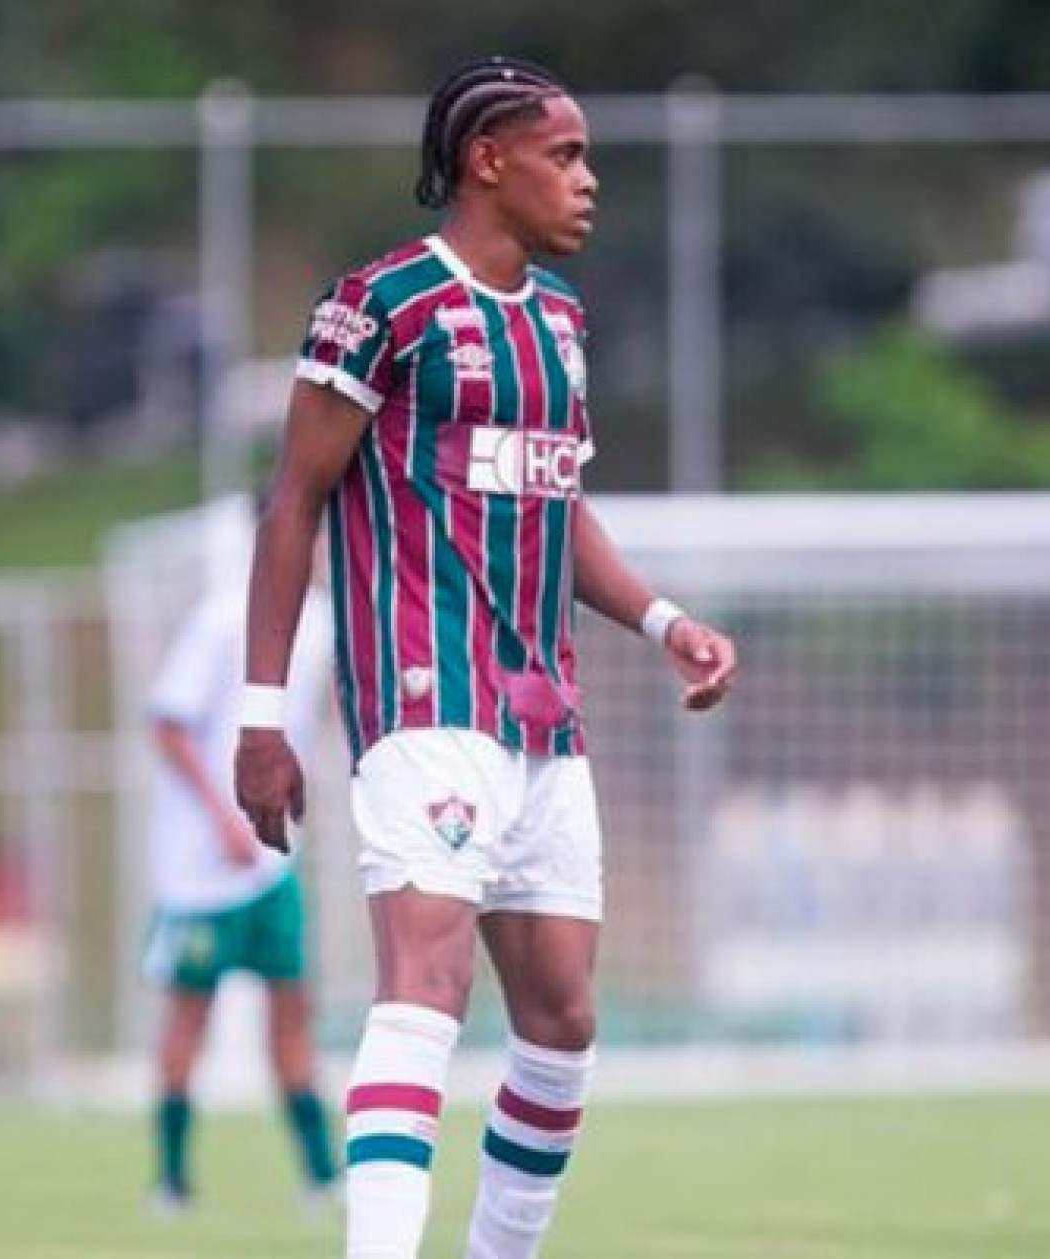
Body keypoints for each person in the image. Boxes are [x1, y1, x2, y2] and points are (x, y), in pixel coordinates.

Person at [234, 57, 739, 1259]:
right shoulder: (381, 307)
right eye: (565, 155)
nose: (589, 179)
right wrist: (262, 715)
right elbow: (294, 503)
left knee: (563, 1020)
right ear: (487, 160)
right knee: (428, 983)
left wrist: (664, 620)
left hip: (542, 712)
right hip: (423, 697)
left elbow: (559, 507)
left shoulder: (559, 322)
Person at [139, 566, 338, 1213]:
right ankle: (171, 1182)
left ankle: (322, 1176)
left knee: (293, 1009)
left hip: (272, 862)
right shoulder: (223, 616)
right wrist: (221, 815)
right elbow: (168, 725)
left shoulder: (322, 622)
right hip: (201, 871)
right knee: (189, 1016)